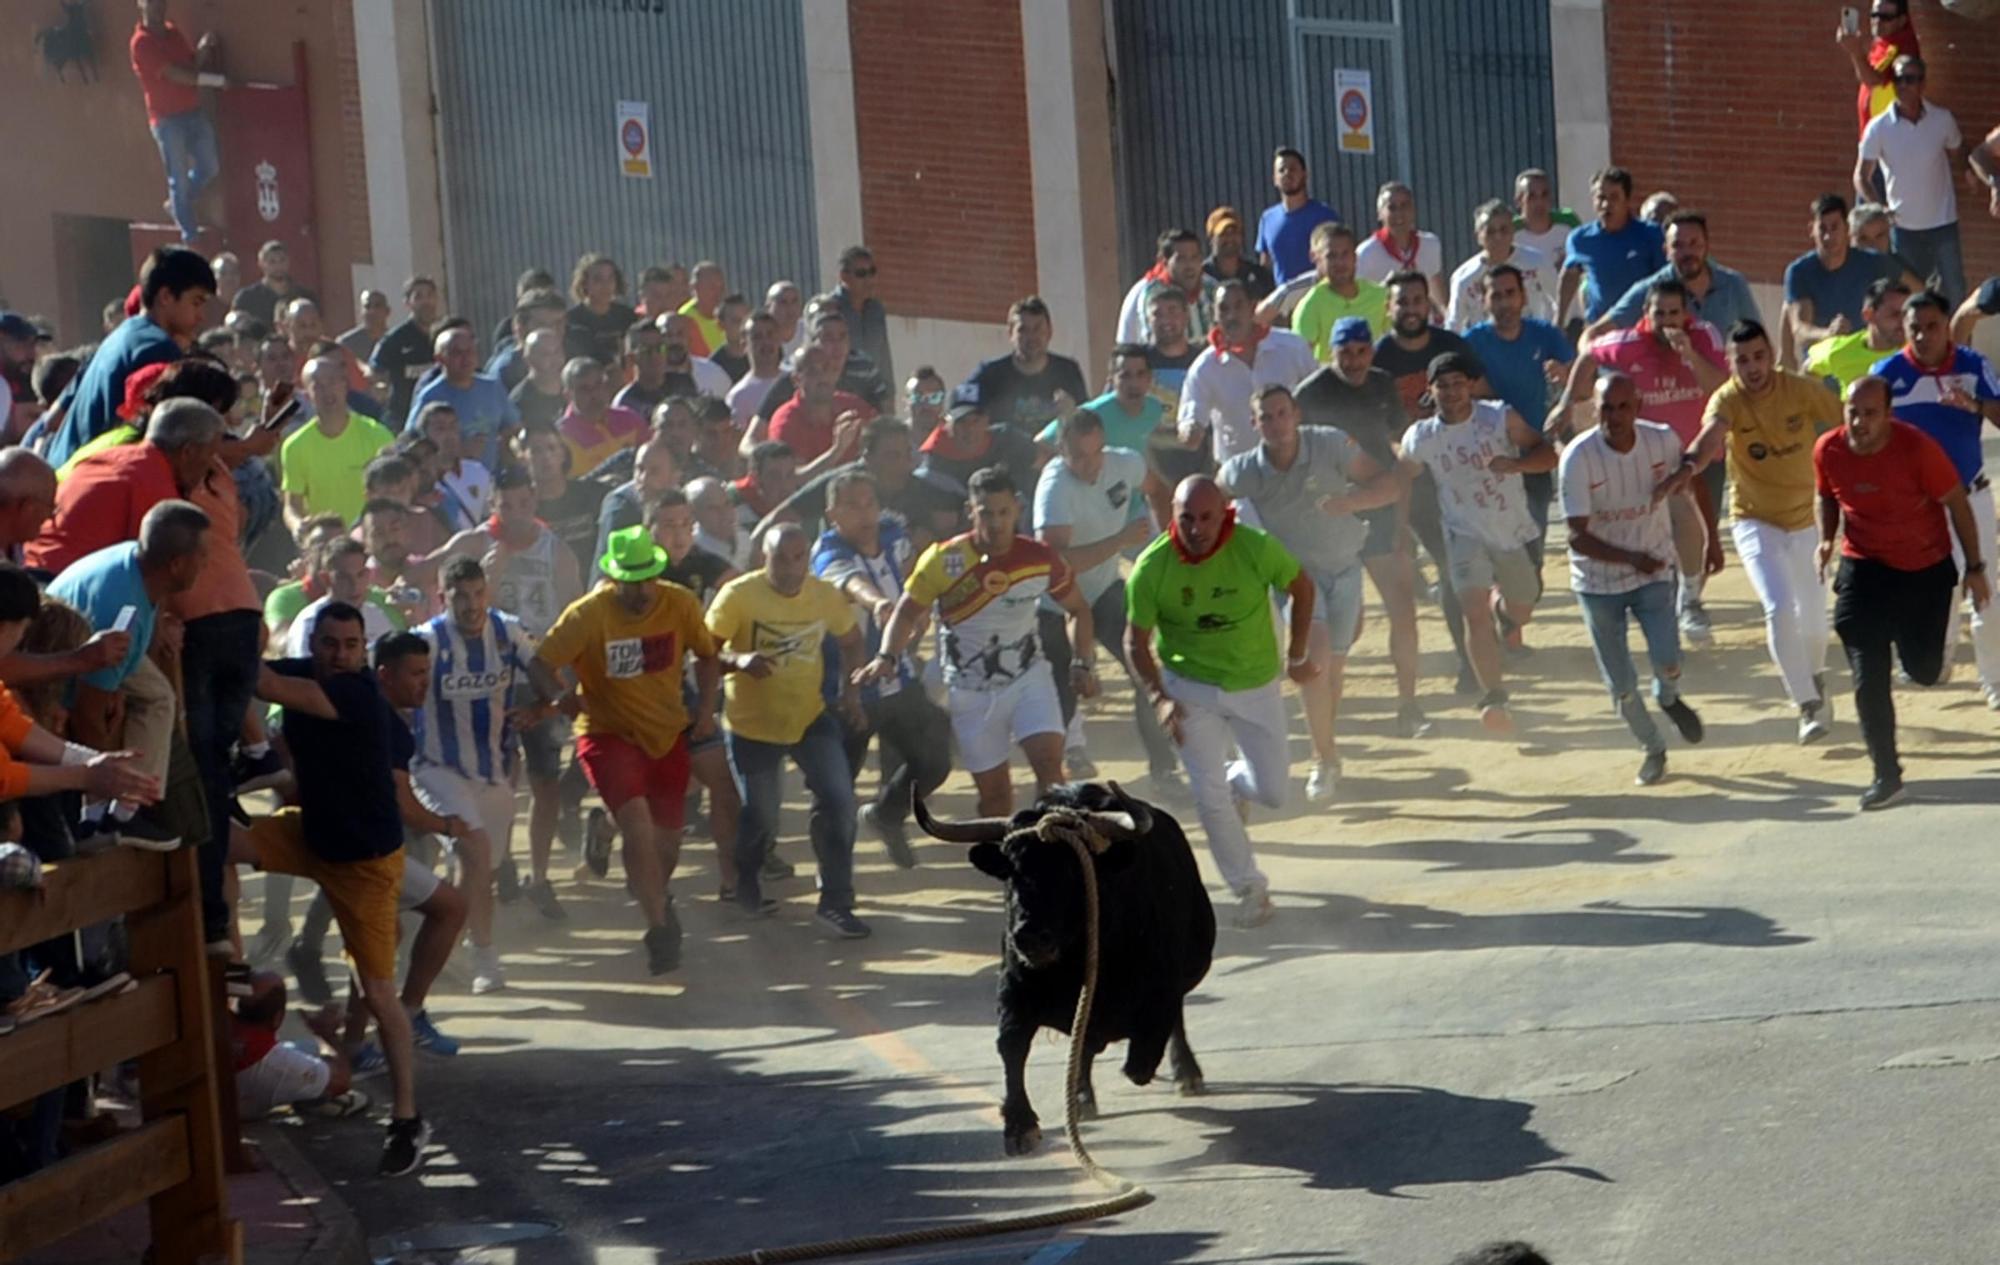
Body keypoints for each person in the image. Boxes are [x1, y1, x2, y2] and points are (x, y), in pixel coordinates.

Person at [231, 603, 434, 1175]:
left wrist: (210, 631)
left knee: (377, 992)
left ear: (364, 649)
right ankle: (227, 959)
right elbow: (267, 672)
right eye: (330, 644)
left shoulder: (356, 694)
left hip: (366, 864)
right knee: (212, 839)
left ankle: (407, 1120)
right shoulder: (307, 667)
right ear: (314, 643)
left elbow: (262, 679)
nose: (341, 655)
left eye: (351, 644)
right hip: (312, 834)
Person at [1125, 475, 1314, 928]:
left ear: (1225, 513)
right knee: (1206, 795)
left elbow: (1301, 587)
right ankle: (1249, 887)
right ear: (1171, 514)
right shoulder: (1152, 567)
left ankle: (1235, 783)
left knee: (1272, 792)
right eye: (1186, 517)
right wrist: (1160, 698)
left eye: (1206, 517)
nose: (1196, 528)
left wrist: (1298, 654)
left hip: (1255, 683)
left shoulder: (1255, 547)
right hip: (1190, 689)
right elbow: (1135, 641)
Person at [531, 526, 721, 972]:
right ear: (614, 578)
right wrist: (559, 698)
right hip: (607, 733)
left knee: (667, 845)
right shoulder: (588, 615)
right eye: (630, 580)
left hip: (667, 734)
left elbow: (708, 654)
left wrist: (708, 711)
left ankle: (628, 860)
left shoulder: (679, 603)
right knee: (639, 827)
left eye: (647, 577)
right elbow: (541, 661)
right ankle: (658, 929)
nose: (640, 588)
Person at [862, 466, 1098, 819]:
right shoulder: (943, 560)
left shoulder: (1040, 558)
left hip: (1029, 679)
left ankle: (1054, 857)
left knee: (1051, 770)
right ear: (971, 512)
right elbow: (907, 612)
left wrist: (1082, 662)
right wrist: (887, 656)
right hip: (970, 690)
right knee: (996, 798)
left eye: (1003, 512)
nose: (996, 523)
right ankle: (1005, 868)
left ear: (1017, 509)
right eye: (986, 513)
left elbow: (1078, 609)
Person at [1219, 385, 1397, 802]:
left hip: (1345, 567)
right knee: (1313, 663)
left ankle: (1327, 751)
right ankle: (1324, 760)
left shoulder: (1331, 443)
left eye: (1282, 413)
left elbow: (1389, 485)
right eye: (1266, 417)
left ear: (1296, 414)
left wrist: (1353, 501)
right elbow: (1206, 502)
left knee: (1333, 672)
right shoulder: (1244, 470)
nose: (1276, 424)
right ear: (1254, 423)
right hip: (1296, 578)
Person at [1815, 375, 1986, 809]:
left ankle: (1912, 641)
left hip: (1924, 569)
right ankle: (1886, 775)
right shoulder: (1828, 449)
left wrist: (1976, 568)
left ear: (1888, 415)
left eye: (1870, 413)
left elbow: (1958, 504)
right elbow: (1826, 494)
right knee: (1865, 669)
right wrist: (1826, 537)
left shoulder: (1916, 448)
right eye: (1852, 411)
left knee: (1924, 670)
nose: (1859, 421)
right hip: (1865, 567)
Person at [707, 524, 868, 935]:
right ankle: (745, 879)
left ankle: (836, 901)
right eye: (781, 558)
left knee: (839, 801)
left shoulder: (823, 595)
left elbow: (852, 640)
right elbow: (705, 649)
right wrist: (738, 660)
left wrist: (851, 694)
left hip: (810, 717)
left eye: (799, 558)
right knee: (762, 817)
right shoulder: (739, 595)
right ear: (764, 556)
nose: (791, 568)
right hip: (751, 725)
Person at [1550, 279, 1727, 643]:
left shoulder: (1706, 336)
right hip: (1651, 456)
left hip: (1700, 450)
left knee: (1703, 534)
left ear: (1686, 315)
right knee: (1677, 521)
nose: (1666, 321)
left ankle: (1689, 597)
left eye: (1673, 313)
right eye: (1658, 313)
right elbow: (1588, 355)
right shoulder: (1626, 344)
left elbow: (1720, 387)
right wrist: (1567, 402)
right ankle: (1682, 605)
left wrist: (1690, 355)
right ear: (1646, 314)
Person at [1691, 321, 1844, 740]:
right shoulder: (1727, 399)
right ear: (1730, 362)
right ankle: (1807, 704)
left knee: (1814, 623)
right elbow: (1710, 436)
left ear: (1772, 354)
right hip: (1754, 519)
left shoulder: (1799, 389)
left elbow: (1844, 422)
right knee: (1778, 608)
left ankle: (1814, 677)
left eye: (1759, 357)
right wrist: (1690, 460)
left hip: (1807, 520)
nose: (1752, 367)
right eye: (1742, 360)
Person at [1294, 318, 1443, 730]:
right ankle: (1326, 708)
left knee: (1403, 609)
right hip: (1329, 516)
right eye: (1346, 352)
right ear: (1332, 352)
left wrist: (1401, 516)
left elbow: (1400, 447)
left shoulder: (1381, 384)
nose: (1354, 360)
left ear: (1371, 352)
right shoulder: (1309, 394)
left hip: (1378, 507)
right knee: (1344, 626)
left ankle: (1409, 705)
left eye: (1361, 351)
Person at [1559, 373, 1706, 785]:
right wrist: (1630, 558)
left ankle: (1668, 697)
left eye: (1624, 407)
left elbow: (1689, 483)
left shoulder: (1662, 440)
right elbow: (1576, 535)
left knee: (1669, 659)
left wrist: (1706, 542)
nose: (1615, 416)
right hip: (1597, 582)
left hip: (1654, 570)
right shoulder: (1578, 458)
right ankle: (1652, 748)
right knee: (1621, 684)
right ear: (1594, 410)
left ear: (1638, 408)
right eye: (1606, 408)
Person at [1395, 352, 1555, 731]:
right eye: (1442, 386)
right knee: (1473, 610)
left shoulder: (1499, 417)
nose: (1451, 392)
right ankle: (1494, 695)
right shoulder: (1421, 437)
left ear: (1470, 385)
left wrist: (1516, 465)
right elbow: (1403, 478)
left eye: (1457, 384)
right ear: (1430, 391)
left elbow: (1545, 453)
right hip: (1463, 531)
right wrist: (1399, 526)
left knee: (1523, 605)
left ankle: (1507, 613)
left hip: (1510, 528)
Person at [408, 557, 543, 991]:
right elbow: (384, 680)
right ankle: (484, 957)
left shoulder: (507, 631)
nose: (470, 605)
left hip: (493, 776)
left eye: (477, 593)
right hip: (436, 770)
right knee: (476, 851)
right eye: (460, 596)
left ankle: (436, 936)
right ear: (443, 597)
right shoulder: (426, 642)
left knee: (479, 869)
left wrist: (544, 707)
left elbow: (547, 674)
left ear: (487, 591)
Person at [49, 500, 212, 851]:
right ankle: (104, 820)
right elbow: (87, 713)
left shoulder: (141, 564)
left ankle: (126, 810)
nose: (208, 562)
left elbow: (148, 623)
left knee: (158, 696)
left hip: (104, 649)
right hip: (64, 666)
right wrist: (104, 781)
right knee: (121, 712)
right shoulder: (121, 607)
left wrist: (120, 688)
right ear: (177, 564)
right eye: (202, 555)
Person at [810, 471, 950, 866]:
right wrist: (881, 606)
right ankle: (833, 884)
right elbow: (852, 583)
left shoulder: (891, 531)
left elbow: (908, 566)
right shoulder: (829, 552)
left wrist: (913, 609)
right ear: (832, 512)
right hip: (847, 691)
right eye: (851, 505)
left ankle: (887, 816)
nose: (863, 512)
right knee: (836, 793)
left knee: (935, 758)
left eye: (869, 502)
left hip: (898, 679)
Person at [1034, 410, 1177, 784]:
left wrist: (1169, 542)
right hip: (1057, 603)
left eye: (1095, 452)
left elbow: (1159, 490)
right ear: (1061, 452)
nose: (1089, 465)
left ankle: (1164, 770)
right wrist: (1118, 541)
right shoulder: (1055, 489)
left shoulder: (1124, 462)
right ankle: (1052, 788)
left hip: (1104, 590)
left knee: (1146, 672)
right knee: (1062, 699)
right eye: (1078, 457)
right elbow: (1057, 564)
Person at [1872, 289, 2000, 703]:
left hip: (1971, 495)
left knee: (1985, 590)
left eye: (1932, 327)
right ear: (1903, 331)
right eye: (1916, 329)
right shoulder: (1886, 375)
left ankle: (1995, 680)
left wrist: (1976, 405)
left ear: (1948, 327)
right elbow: (1865, 435)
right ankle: (1936, 662)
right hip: (1917, 507)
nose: (1925, 336)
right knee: (1932, 591)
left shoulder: (1973, 364)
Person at [44, 247, 212, 468]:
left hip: (67, 476)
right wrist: (247, 447)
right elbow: (169, 447)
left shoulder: (120, 336)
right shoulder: (156, 348)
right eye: (196, 302)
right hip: (98, 482)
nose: (201, 316)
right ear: (166, 297)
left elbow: (54, 420)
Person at [26, 395, 222, 574]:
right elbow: (161, 573)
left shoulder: (113, 454)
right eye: (210, 454)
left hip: (31, 563)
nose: (213, 464)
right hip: (61, 581)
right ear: (188, 452)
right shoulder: (155, 485)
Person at [1463, 264, 1575, 566]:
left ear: (1523, 297)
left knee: (1531, 551)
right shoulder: (1471, 343)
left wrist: (1564, 375)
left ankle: (1513, 603)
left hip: (1534, 454)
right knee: (1492, 550)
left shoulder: (1546, 335)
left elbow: (1581, 381)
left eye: (1510, 293)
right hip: (1487, 457)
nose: (1504, 302)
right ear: (1484, 300)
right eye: (1495, 295)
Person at [1855, 55, 1966, 302]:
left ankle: (1959, 342)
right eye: (1898, 79)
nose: (1903, 85)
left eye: (1910, 79)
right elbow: (1861, 176)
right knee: (1906, 297)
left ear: (1922, 84)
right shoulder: (1879, 127)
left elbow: (1959, 152)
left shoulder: (1942, 119)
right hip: (1903, 230)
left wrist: (1970, 174)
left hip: (1943, 225)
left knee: (1956, 293)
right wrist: (1879, 206)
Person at [1179, 282, 1318, 468]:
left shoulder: (1292, 347)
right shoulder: (1204, 368)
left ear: (1253, 307)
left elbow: (1320, 396)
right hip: (1239, 474)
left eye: (1238, 306)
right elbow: (1191, 416)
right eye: (1223, 309)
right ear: (1214, 315)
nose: (1232, 316)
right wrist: (1190, 432)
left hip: (1296, 466)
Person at [131, 0, 225, 244]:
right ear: (140, 4)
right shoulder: (141, 43)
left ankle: (177, 203)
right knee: (178, 177)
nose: (158, 8)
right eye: (152, 3)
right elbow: (177, 75)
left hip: (192, 111)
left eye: (161, 3)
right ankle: (189, 234)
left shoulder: (173, 33)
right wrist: (215, 81)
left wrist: (203, 49)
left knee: (210, 165)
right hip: (167, 120)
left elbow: (191, 64)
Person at [1593, 212, 1762, 339]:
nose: (1688, 252)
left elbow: (1759, 340)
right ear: (1666, 251)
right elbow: (1596, 333)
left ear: (1707, 245)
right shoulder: (1652, 290)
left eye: (1694, 243)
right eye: (1678, 245)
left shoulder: (1733, 284)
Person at [281, 354, 394, 531]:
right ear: (307, 393)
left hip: (371, 537)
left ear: (345, 385)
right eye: (318, 386)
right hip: (326, 544)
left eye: (332, 382)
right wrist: (297, 525)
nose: (327, 391)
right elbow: (292, 505)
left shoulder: (378, 436)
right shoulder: (295, 446)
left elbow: (394, 493)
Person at [230, 971, 361, 1120]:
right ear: (277, 1018)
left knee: (309, 1047)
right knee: (317, 1059)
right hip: (239, 1106)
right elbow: (341, 1080)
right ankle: (309, 1095)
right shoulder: (276, 1062)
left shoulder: (217, 1021)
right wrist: (327, 1034)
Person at [1784, 194, 1896, 366]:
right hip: (1823, 363)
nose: (1828, 237)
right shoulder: (1800, 272)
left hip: (1867, 362)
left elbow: (1913, 295)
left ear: (1847, 229)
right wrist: (1828, 333)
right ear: (1811, 231)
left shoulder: (1874, 263)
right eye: (1822, 229)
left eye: (1834, 227)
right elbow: (1800, 330)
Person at [962, 297, 1089, 435]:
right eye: (1023, 330)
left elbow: (1089, 425)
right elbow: (959, 408)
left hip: (1055, 454)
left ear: (1050, 332)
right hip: (1006, 455)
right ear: (1010, 333)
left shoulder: (1068, 371)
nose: (1031, 337)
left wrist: (1074, 413)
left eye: (1037, 329)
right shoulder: (990, 374)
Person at [1560, 167, 1666, 326]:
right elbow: (1570, 276)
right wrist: (1559, 320)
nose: (1606, 204)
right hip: (1600, 330)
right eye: (1600, 197)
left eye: (1614, 197)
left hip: (1641, 329)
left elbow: (1665, 279)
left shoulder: (1651, 234)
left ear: (1628, 199)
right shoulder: (1580, 239)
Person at [1371, 271, 1478, 421]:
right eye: (1402, 302)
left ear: (1428, 305)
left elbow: (1481, 395)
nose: (1411, 310)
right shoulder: (1375, 359)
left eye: (1417, 301)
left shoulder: (1454, 346)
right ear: (1388, 307)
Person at [1448, 200, 1557, 332]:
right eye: (1490, 231)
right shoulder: (1464, 277)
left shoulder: (1537, 262)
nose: (1498, 236)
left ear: (1513, 231)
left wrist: (1553, 332)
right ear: (1478, 236)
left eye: (1504, 230)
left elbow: (1559, 300)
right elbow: (1454, 323)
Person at [1290, 222, 1391, 363]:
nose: (1340, 262)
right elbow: (1299, 361)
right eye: (1331, 256)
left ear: (1355, 256)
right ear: (1316, 258)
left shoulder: (1381, 296)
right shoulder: (1310, 305)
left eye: (1345, 254)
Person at [767, 344, 875, 474]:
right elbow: (791, 480)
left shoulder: (855, 407)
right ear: (796, 380)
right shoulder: (785, 421)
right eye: (813, 371)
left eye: (827, 368)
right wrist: (837, 451)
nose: (822, 376)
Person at [918, 389, 1039, 495]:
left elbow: (1043, 458)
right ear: (945, 424)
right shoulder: (934, 462)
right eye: (961, 422)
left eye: (976, 420)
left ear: (987, 420)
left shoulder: (1007, 438)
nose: (970, 429)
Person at [1355, 182, 1448, 316]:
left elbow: (1436, 288)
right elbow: (1359, 301)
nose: (1399, 214)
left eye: (1405, 206)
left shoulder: (1430, 244)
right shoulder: (1366, 253)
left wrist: (1445, 317)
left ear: (1413, 210)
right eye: (1392, 208)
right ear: (1380, 214)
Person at [1806, 277, 1911, 394]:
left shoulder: (1918, 352)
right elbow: (1807, 371)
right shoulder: (1841, 350)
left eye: (1907, 314)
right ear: (1868, 315)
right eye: (1895, 314)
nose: (1904, 322)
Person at [1255, 147, 1340, 287]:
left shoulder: (1325, 216)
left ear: (1305, 175)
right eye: (1281, 170)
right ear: (1275, 179)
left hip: (1320, 300)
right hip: (1284, 304)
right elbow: (1266, 266)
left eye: (1293, 169)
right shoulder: (1267, 219)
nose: (1287, 174)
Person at [1116, 229, 1219, 344]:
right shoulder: (1148, 295)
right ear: (1164, 262)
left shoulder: (1212, 288)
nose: (1189, 265)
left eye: (1194, 257)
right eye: (1181, 259)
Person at [1838, 0, 1921, 136]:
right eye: (1874, 15)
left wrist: (1856, 53)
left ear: (1902, 20)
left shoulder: (1901, 45)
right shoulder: (1883, 41)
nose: (1877, 21)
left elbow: (1874, 81)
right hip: (1875, 131)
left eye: (1885, 17)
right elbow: (1865, 77)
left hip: (1890, 136)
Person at [556, 357, 646, 479]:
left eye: (598, 385)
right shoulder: (560, 438)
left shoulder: (630, 419)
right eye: (584, 389)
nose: (594, 394)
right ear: (568, 395)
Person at [369, 277, 442, 424]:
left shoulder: (446, 334)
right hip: (404, 418)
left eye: (430, 295)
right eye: (419, 297)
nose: (426, 302)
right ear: (408, 303)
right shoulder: (395, 340)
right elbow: (375, 371)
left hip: (442, 417)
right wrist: (380, 387)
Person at [412, 402, 492, 536]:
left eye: (453, 427)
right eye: (440, 429)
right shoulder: (417, 482)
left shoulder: (477, 472)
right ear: (424, 436)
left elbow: (492, 517)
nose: (449, 435)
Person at [1512, 168, 1580, 308]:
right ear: (1518, 201)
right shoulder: (1510, 232)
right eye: (1532, 196)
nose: (1539, 202)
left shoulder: (1568, 224)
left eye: (1544, 195)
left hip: (1571, 315)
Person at [830, 247, 893, 390]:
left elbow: (884, 356)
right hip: (841, 391)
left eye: (872, 272)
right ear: (843, 276)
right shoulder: (830, 309)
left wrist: (889, 392)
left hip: (873, 393)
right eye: (861, 274)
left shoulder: (876, 310)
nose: (868, 280)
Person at [564, 253, 638, 366]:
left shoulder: (627, 316)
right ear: (584, 283)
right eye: (598, 280)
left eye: (610, 279)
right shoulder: (572, 320)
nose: (606, 285)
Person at [230, 240, 318, 330]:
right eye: (272, 262)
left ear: (288, 261)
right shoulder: (247, 298)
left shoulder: (304, 297)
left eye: (282, 260)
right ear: (261, 264)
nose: (278, 266)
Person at [727, 310, 786, 430]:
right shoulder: (739, 396)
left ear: (779, 339)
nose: (765, 342)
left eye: (770, 335)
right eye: (757, 337)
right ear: (744, 345)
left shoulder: (795, 381)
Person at [1202, 206, 1274, 301]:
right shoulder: (1202, 277)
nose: (1230, 238)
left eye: (1234, 232)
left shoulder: (1259, 276)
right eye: (1223, 234)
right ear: (1211, 238)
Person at [511, 327, 569, 430]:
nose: (554, 360)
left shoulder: (574, 388)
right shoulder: (520, 402)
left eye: (557, 351)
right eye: (545, 354)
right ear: (528, 359)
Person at [339, 290, 391, 364]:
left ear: (387, 311)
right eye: (367, 306)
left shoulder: (395, 341)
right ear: (361, 312)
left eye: (377, 306)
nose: (372, 311)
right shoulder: (347, 344)